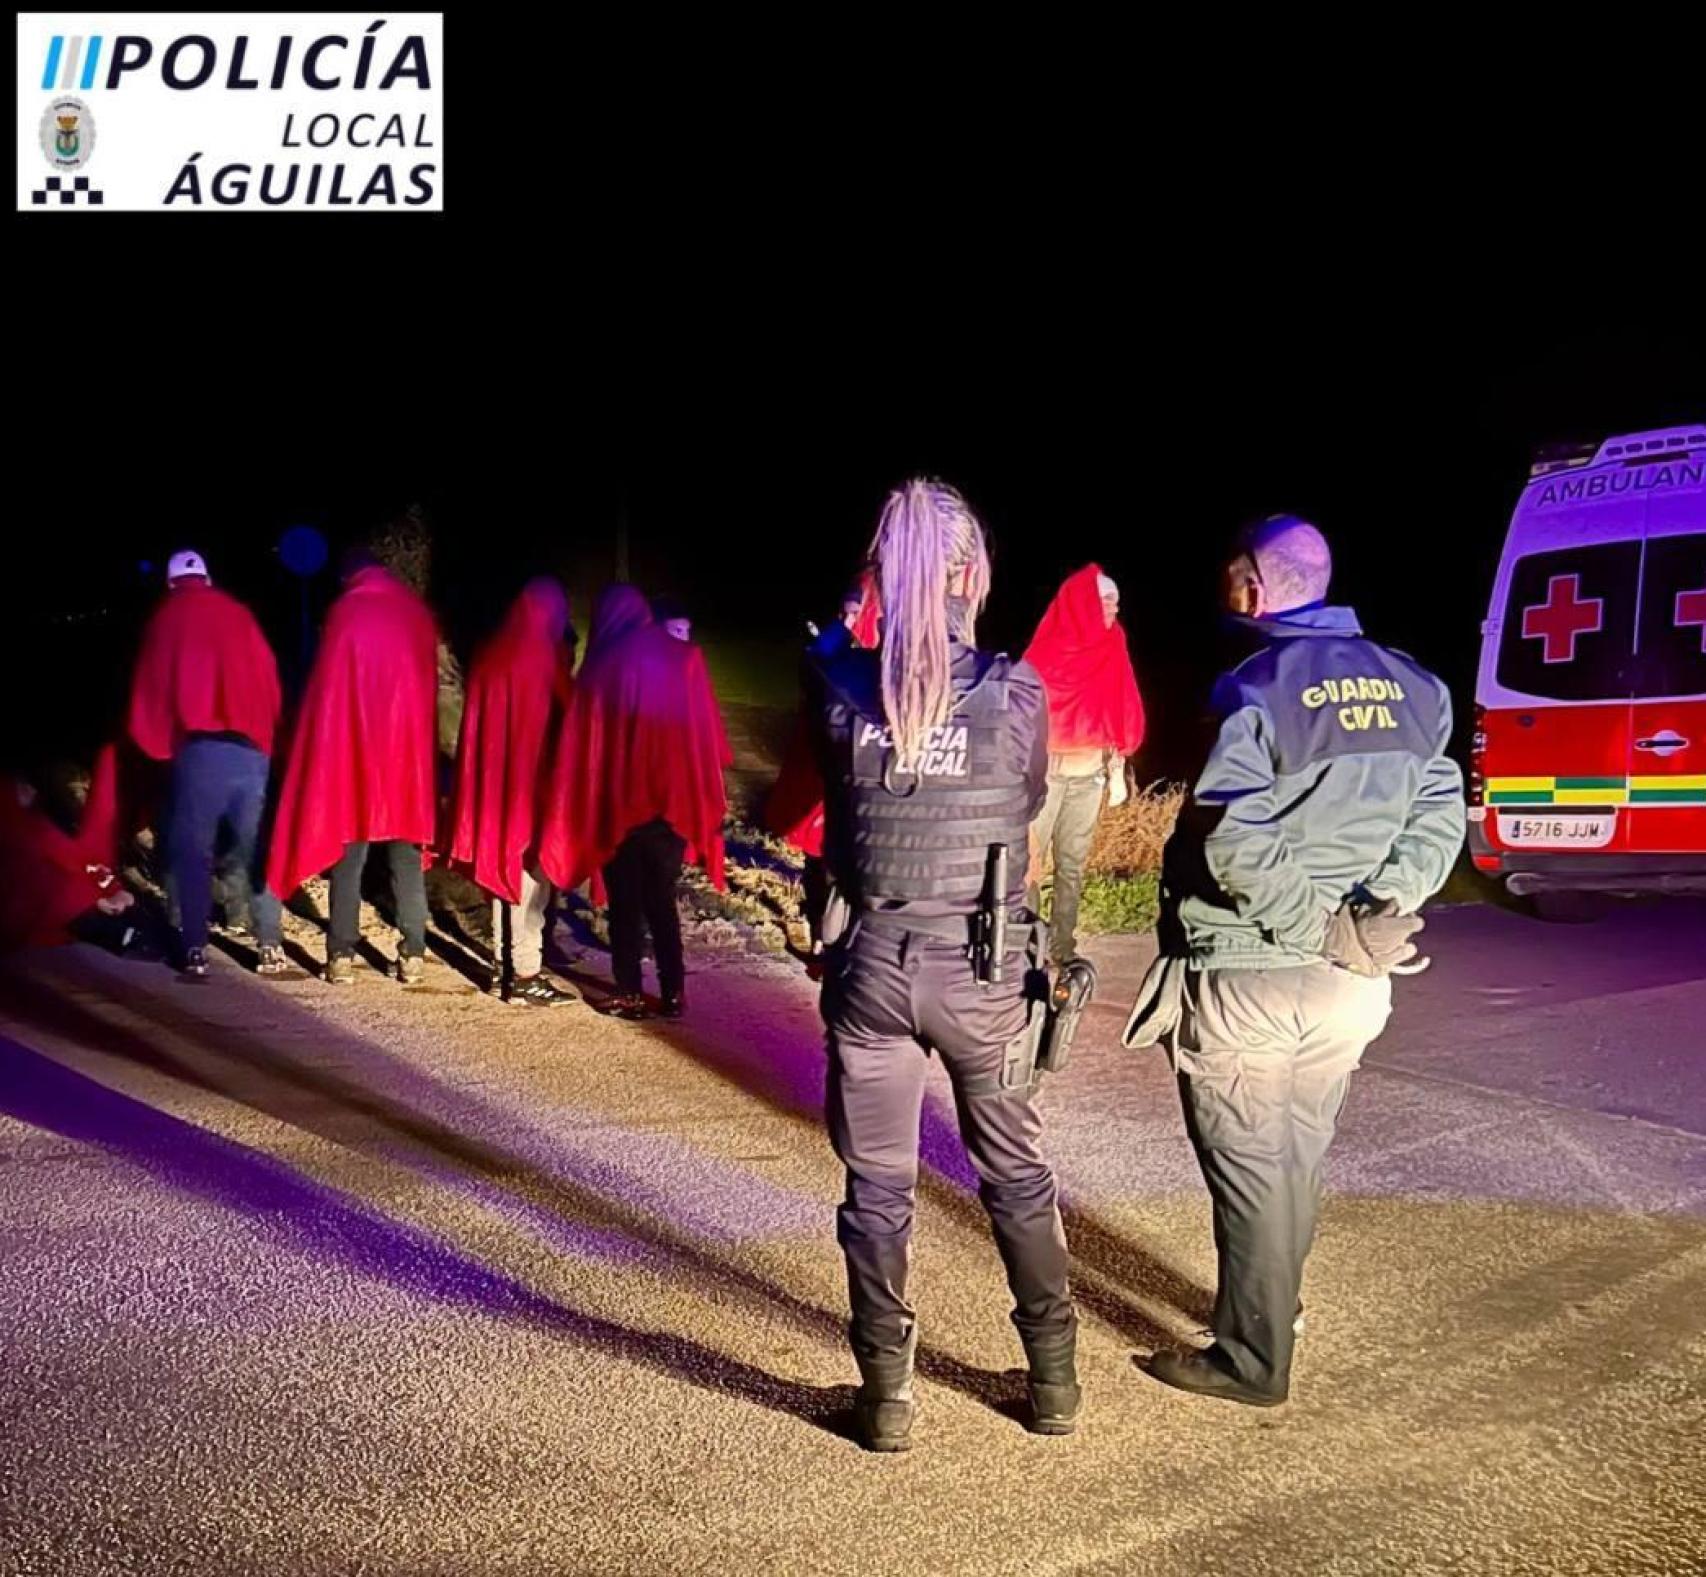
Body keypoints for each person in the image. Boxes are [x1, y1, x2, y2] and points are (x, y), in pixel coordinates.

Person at [1125, 514, 1464, 1406]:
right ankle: (1279, 1303)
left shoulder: (1254, 684)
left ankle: (1251, 1358)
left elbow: (1233, 837)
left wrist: (1318, 924)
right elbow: (1441, 808)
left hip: (1251, 972)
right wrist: (1380, 908)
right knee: (1295, 1153)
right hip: (1354, 980)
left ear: (1251, 586)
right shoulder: (1417, 685)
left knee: (1247, 1159)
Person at [810, 479, 1078, 1452]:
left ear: (883, 576)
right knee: (1013, 1173)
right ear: (969, 575)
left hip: (872, 966)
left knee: (874, 1186)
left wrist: (854, 613)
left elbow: (833, 768)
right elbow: (1029, 793)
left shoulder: (839, 685)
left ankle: (884, 1394)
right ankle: (1052, 1379)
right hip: (983, 972)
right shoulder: (1013, 691)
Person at [539, 586, 730, 1020]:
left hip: (623, 804)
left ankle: (629, 990)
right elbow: (706, 734)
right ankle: (674, 991)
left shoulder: (606, 663)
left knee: (626, 903)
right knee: (661, 899)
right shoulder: (685, 659)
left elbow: (586, 742)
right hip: (673, 804)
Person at [266, 548, 439, 986]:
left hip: (356, 756)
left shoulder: (347, 612)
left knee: (348, 858)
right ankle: (413, 953)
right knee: (406, 858)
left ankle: (340, 955)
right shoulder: (415, 614)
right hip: (405, 759)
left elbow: (327, 692)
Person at [126, 549, 286, 979]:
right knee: (255, 847)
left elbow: (151, 691)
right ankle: (270, 942)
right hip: (251, 748)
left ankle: (195, 947)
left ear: (171, 582)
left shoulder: (166, 619)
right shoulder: (240, 615)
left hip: (198, 752)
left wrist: (161, 750)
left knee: (192, 851)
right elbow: (269, 679)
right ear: (208, 579)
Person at [447, 578, 579, 1006]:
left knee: (505, 873)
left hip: (496, 789)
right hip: (534, 789)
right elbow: (568, 721)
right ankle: (523, 971)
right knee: (530, 881)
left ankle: (506, 968)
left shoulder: (492, 653)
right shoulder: (543, 658)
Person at [1023, 565, 1147, 963]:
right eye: (1104, 600)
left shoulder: (1114, 644)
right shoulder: (1047, 650)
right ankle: (1026, 945)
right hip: (1046, 774)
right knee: (1030, 861)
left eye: (1115, 600)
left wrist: (1119, 762)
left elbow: (1124, 700)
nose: (1113, 606)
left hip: (1089, 772)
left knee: (1071, 865)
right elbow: (1024, 710)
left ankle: (1061, 945)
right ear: (1082, 606)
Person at [0, 745, 151, 957]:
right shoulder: (17, 821)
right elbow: (41, 866)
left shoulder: (38, 819)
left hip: (69, 896)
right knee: (60, 887)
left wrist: (112, 889)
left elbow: (85, 861)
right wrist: (96, 898)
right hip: (31, 906)